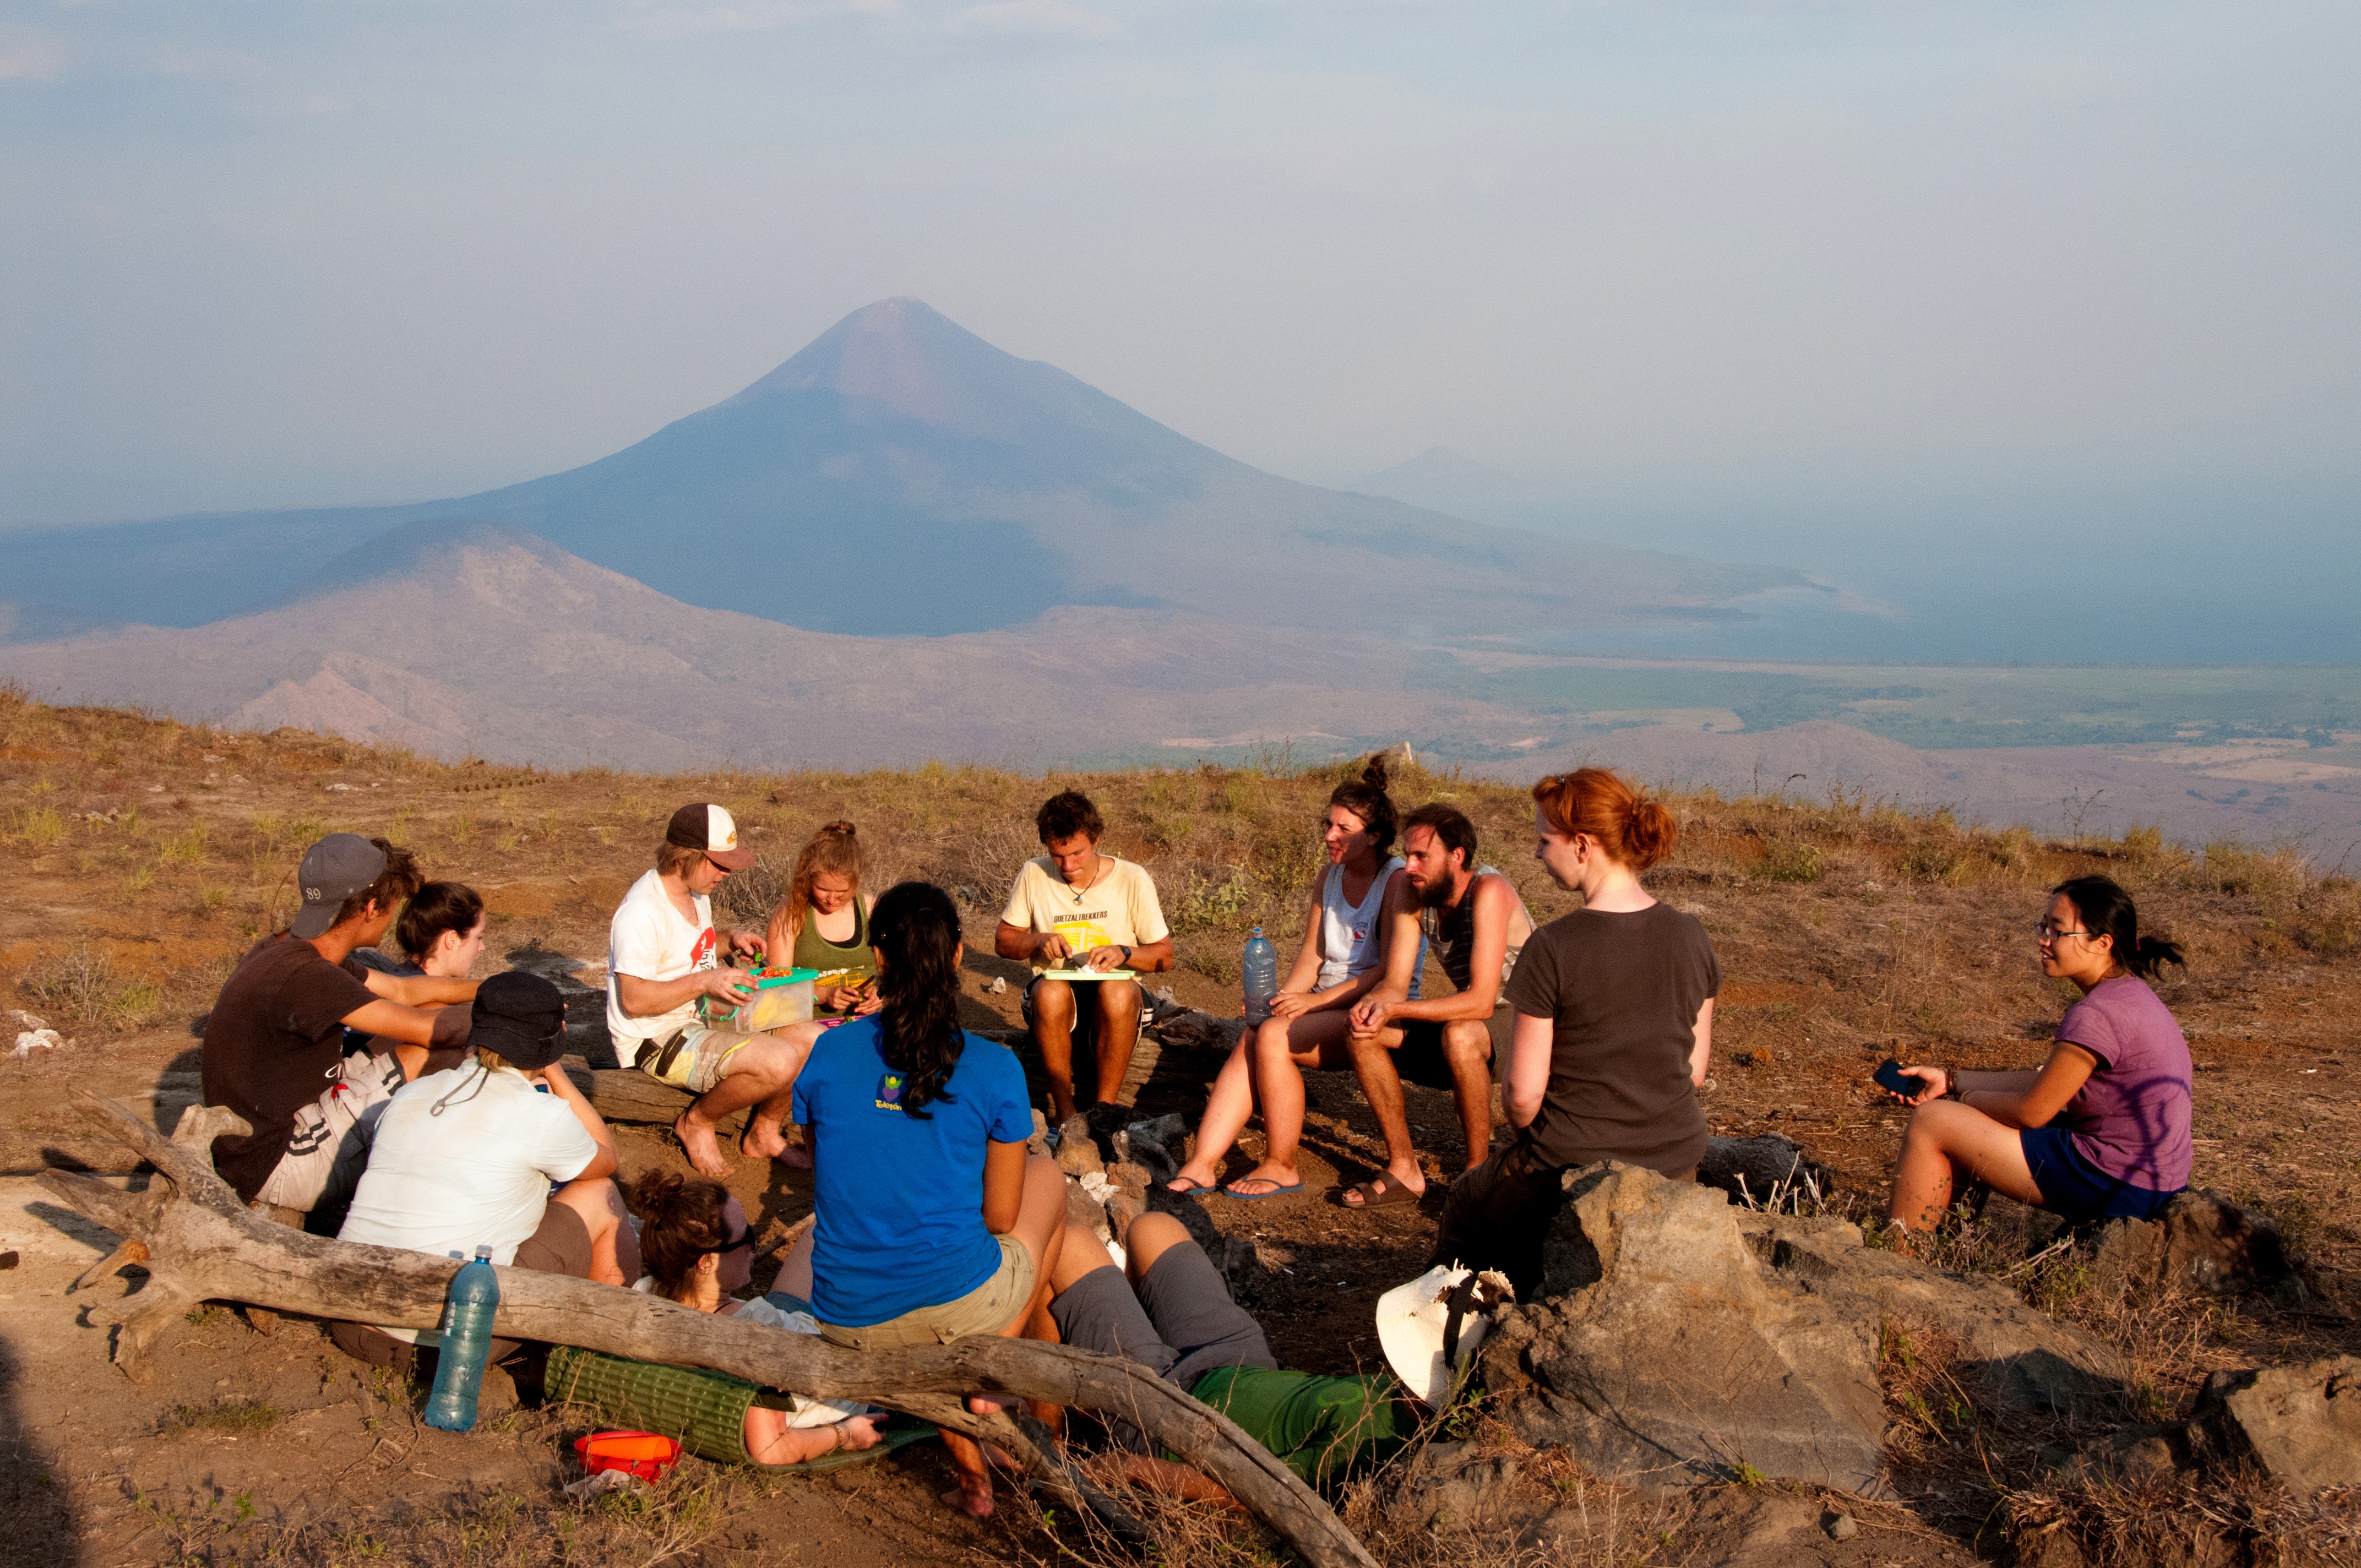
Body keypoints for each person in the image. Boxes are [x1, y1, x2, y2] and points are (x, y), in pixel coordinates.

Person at [794, 880, 1069, 1519]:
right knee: (1048, 1181)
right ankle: (999, 1372)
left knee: (922, 1256)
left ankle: (975, 1484)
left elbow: (824, 1167)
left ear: (878, 957)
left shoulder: (830, 1050)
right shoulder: (994, 1065)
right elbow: (1001, 1218)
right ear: (958, 955)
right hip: (953, 1307)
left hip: (844, 1315)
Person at [1430, 769, 1718, 1301]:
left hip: (1568, 1165)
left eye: (1545, 840)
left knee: (1468, 1203)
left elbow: (1522, 1096)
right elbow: (1694, 1072)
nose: (1538, 853)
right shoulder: (1692, 936)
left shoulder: (1553, 948)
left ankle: (1450, 1333)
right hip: (1676, 1162)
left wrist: (1535, 1140)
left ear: (1583, 846)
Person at [331, 971, 637, 1370]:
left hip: (348, 1317)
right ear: (552, 1041)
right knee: (600, 1193)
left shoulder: (411, 1093)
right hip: (443, 1348)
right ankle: (599, 1359)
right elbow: (607, 1158)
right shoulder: (540, 1114)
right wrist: (555, 1070)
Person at [1043, 1210, 1457, 1500]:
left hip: (1173, 1413)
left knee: (1067, 1242)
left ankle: (1046, 1438)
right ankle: (1118, 1355)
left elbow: (1262, 1493)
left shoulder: (1368, 1445)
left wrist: (1138, 1468)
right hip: (1241, 1361)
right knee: (1153, 1227)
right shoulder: (1410, 1389)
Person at [1165, 755, 1425, 1200]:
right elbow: (1313, 955)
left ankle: (1282, 1164)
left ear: (1374, 836)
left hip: (1375, 1010)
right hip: (1327, 1005)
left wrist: (1311, 1004)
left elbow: (1387, 971)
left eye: (1343, 829)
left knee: (1272, 1036)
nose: (1329, 836)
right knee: (1255, 1031)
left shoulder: (1396, 880)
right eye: (1329, 824)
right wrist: (1281, 998)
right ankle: (1204, 1163)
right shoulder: (1330, 875)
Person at [1884, 875, 2191, 1234]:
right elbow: (2049, 1084)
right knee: (1968, 1119)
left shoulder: (2097, 1015)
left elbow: (2032, 1112)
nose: (2044, 940)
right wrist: (1952, 1081)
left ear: (2102, 943)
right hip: (2151, 1181)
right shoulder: (2131, 994)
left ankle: (1899, 1256)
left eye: (2058, 931)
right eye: (2043, 927)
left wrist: (1967, 1102)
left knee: (1932, 1120)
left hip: (2115, 1183)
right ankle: (1947, 1239)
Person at [199, 834, 477, 1217]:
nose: (391, 920)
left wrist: (492, 989)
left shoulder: (291, 947)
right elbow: (433, 1031)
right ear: (371, 907)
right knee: (440, 1052)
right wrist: (519, 1017)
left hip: (258, 1142)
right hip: (281, 1163)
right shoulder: (308, 976)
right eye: (391, 909)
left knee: (434, 1011)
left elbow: (403, 991)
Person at [607, 802, 823, 1179]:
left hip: (700, 1015)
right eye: (719, 864)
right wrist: (706, 982)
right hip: (656, 1036)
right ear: (685, 856)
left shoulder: (693, 892)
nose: (727, 873)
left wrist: (730, 940)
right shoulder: (641, 913)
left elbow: (690, 950)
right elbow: (634, 999)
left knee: (813, 1038)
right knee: (779, 1061)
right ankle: (698, 1121)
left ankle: (764, 1131)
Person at [1339, 803, 1536, 1208]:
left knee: (1461, 1035)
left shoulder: (1489, 891)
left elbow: (1481, 1001)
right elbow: (1396, 983)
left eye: (1421, 856)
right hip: (1480, 1020)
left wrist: (1395, 1010)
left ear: (1456, 855)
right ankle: (1404, 1169)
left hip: (1530, 1019)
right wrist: (1373, 1005)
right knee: (1364, 1033)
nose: (1409, 866)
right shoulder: (1412, 892)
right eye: (1407, 855)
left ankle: (1476, 1175)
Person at [616, 1171, 884, 1465]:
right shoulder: (754, 1335)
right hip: (839, 1377)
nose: (754, 1245)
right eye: (746, 1237)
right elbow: (772, 1448)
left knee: (826, 1225)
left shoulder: (645, 1294)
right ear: (706, 1263)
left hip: (784, 1329)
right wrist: (846, 1434)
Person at [994, 791, 1174, 1126]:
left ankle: (1104, 1112)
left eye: (1077, 853)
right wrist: (1038, 940)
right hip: (1054, 999)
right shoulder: (1034, 872)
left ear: (1096, 839)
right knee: (1051, 991)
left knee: (1117, 991)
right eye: (1058, 856)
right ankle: (1066, 1115)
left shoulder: (1132, 878)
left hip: (1121, 1001)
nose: (1067, 866)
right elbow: (1004, 942)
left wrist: (1125, 952)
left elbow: (1164, 955)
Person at [347, 880, 486, 1081]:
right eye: (478, 938)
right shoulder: (427, 1006)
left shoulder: (399, 977)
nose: (481, 948)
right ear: (452, 940)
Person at [763, 820, 881, 1018]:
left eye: (842, 892)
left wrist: (881, 994)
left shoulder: (872, 910)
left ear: (856, 882)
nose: (832, 900)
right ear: (808, 879)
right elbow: (776, 986)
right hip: (808, 1023)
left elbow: (898, 973)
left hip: (867, 1021)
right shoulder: (791, 912)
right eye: (823, 889)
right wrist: (824, 995)